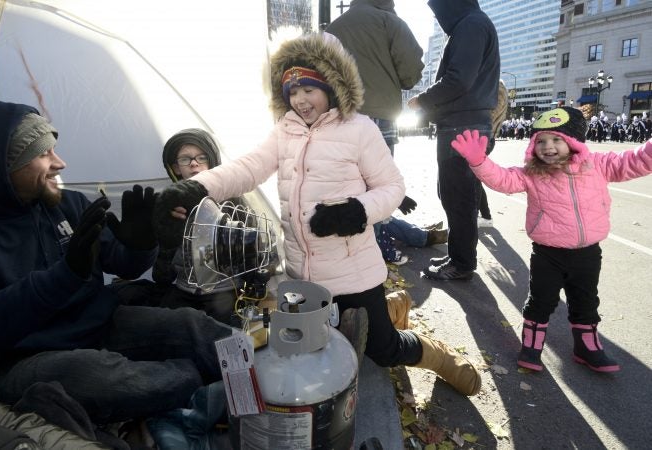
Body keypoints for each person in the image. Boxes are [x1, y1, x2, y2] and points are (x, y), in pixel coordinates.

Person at [155, 33, 481, 396]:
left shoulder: (360, 129)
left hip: (353, 272)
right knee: (318, 341)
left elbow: (392, 188)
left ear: (330, 85)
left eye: (308, 89)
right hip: (300, 274)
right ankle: (391, 308)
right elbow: (248, 168)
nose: (299, 100)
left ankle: (439, 356)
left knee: (381, 350)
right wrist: (200, 187)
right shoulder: (284, 131)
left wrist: (357, 211)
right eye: (291, 92)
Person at [0, 98, 234, 425]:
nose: (60, 163)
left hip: (97, 323)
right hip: (21, 355)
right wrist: (63, 277)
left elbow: (123, 265)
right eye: (43, 154)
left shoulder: (68, 204)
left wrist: (141, 244)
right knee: (106, 377)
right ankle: (214, 382)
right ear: (3, 167)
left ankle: (259, 372)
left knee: (191, 326)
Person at [450, 106, 652, 372]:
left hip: (587, 253)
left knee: (586, 300)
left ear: (573, 142)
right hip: (548, 254)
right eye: (541, 141)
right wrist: (479, 162)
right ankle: (531, 346)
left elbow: (632, 161)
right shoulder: (533, 173)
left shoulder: (597, 165)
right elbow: (503, 180)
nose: (548, 146)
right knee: (541, 300)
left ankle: (587, 347)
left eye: (557, 139)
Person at [325, 0, 447, 264]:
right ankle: (381, 250)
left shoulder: (334, 28)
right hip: (379, 115)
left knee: (349, 186)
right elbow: (410, 74)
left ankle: (364, 248)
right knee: (379, 187)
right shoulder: (390, 22)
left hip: (340, 117)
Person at [407, 0, 500, 280]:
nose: (437, 15)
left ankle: (461, 263)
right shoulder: (473, 23)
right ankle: (460, 256)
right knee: (457, 197)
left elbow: (458, 80)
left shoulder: (471, 25)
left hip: (463, 126)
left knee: (458, 198)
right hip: (464, 124)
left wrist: (422, 101)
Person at [112, 128, 238, 324]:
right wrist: (167, 240)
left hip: (225, 292)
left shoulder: (233, 199)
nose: (194, 163)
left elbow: (260, 255)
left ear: (212, 161)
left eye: (201, 157)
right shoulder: (168, 205)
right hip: (183, 292)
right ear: (176, 168)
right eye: (185, 159)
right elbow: (161, 277)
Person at [478, 79, 508, 228]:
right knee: (473, 178)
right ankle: (484, 215)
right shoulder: (494, 85)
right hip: (484, 137)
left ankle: (485, 215)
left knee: (473, 178)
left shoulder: (497, 87)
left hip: (484, 138)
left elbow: (488, 114)